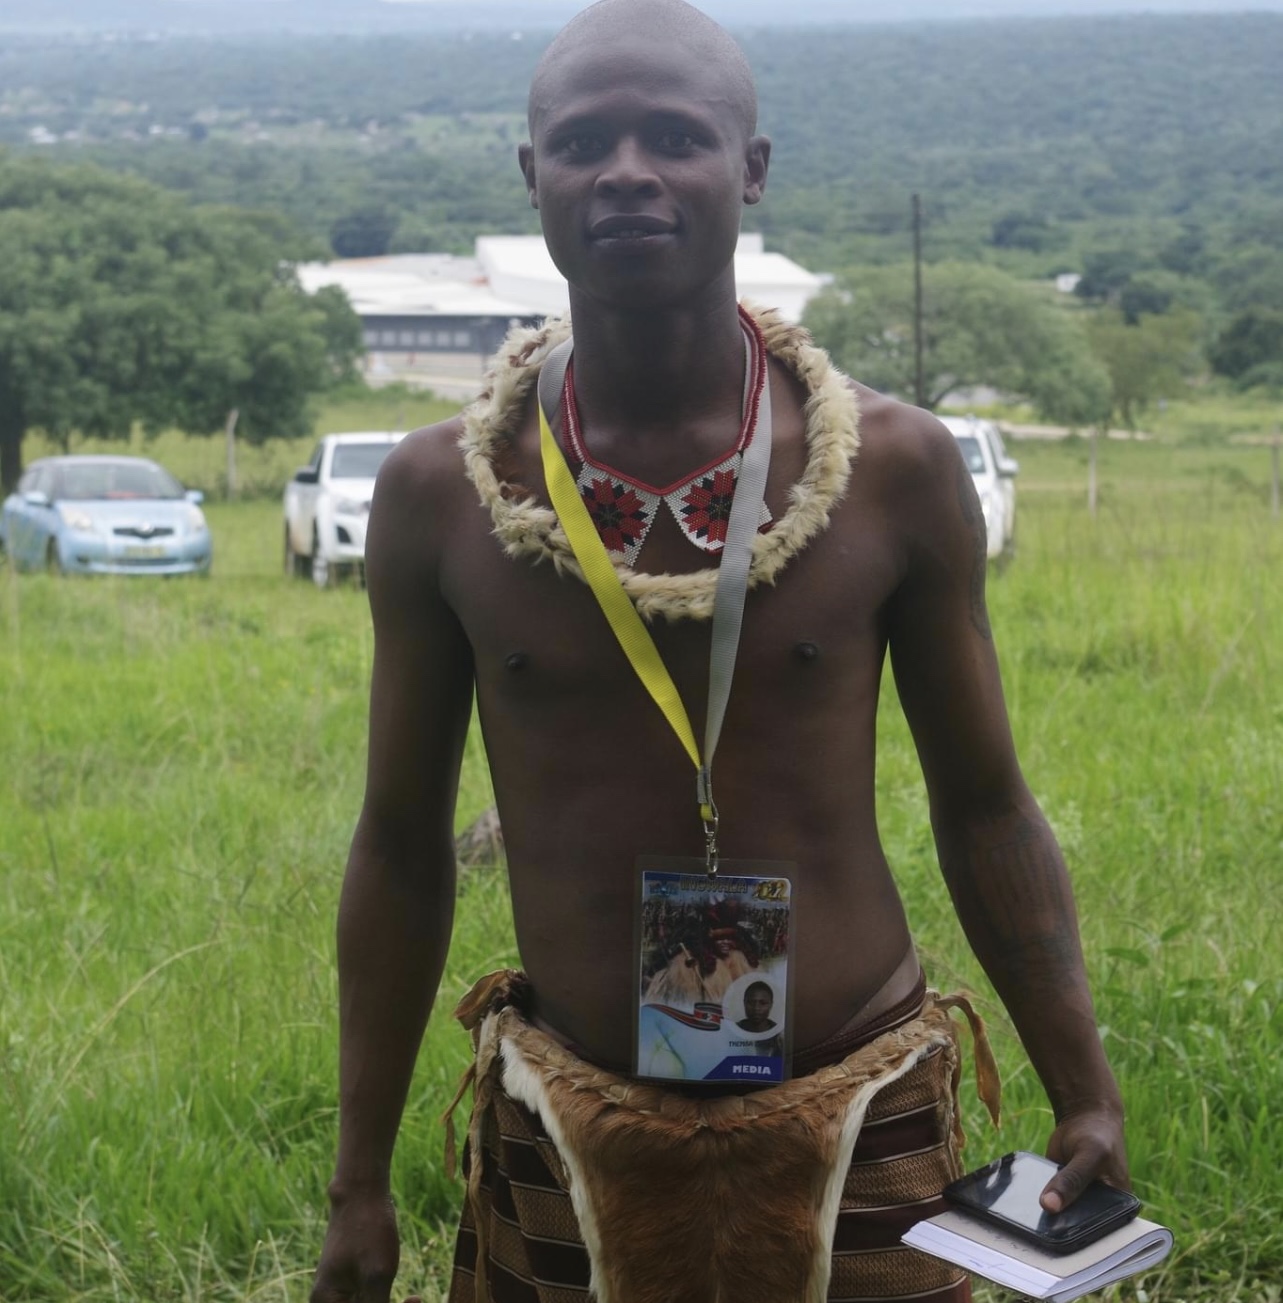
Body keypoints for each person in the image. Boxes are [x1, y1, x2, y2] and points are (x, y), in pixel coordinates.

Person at [310, 2, 1129, 1301]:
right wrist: (359, 1186)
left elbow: (988, 807)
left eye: (676, 137)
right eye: (584, 141)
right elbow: (401, 848)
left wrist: (1085, 1088)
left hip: (862, 1107)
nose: (627, 170)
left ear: (749, 171)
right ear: (535, 179)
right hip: (566, 1114)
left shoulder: (893, 473)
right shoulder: (443, 496)